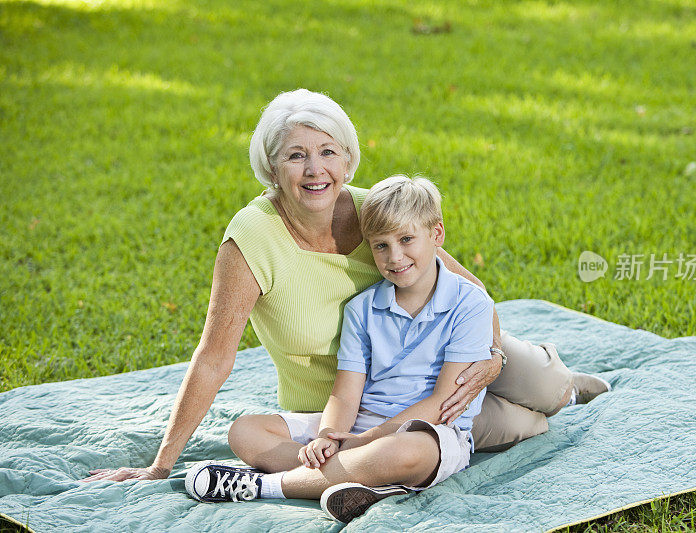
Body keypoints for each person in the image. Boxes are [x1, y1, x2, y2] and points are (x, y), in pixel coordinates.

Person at [83, 88, 609, 484]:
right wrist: (159, 466)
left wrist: (492, 357)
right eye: (296, 155)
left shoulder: (374, 213)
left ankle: (556, 372)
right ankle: (349, 466)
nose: (316, 171)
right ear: (271, 167)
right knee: (509, 425)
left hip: (455, 351)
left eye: (328, 152)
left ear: (348, 158)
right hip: (359, 403)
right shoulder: (249, 242)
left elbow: (470, 287)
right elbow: (214, 358)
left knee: (546, 389)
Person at [185, 175, 494, 524]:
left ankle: (264, 485)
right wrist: (327, 438)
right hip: (359, 425)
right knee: (245, 431)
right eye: (380, 246)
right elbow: (346, 394)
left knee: (409, 452)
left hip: (432, 431)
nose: (395, 257)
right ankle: (366, 480)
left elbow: (441, 404)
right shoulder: (362, 308)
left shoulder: (470, 304)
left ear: (437, 234)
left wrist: (364, 442)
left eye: (407, 240)